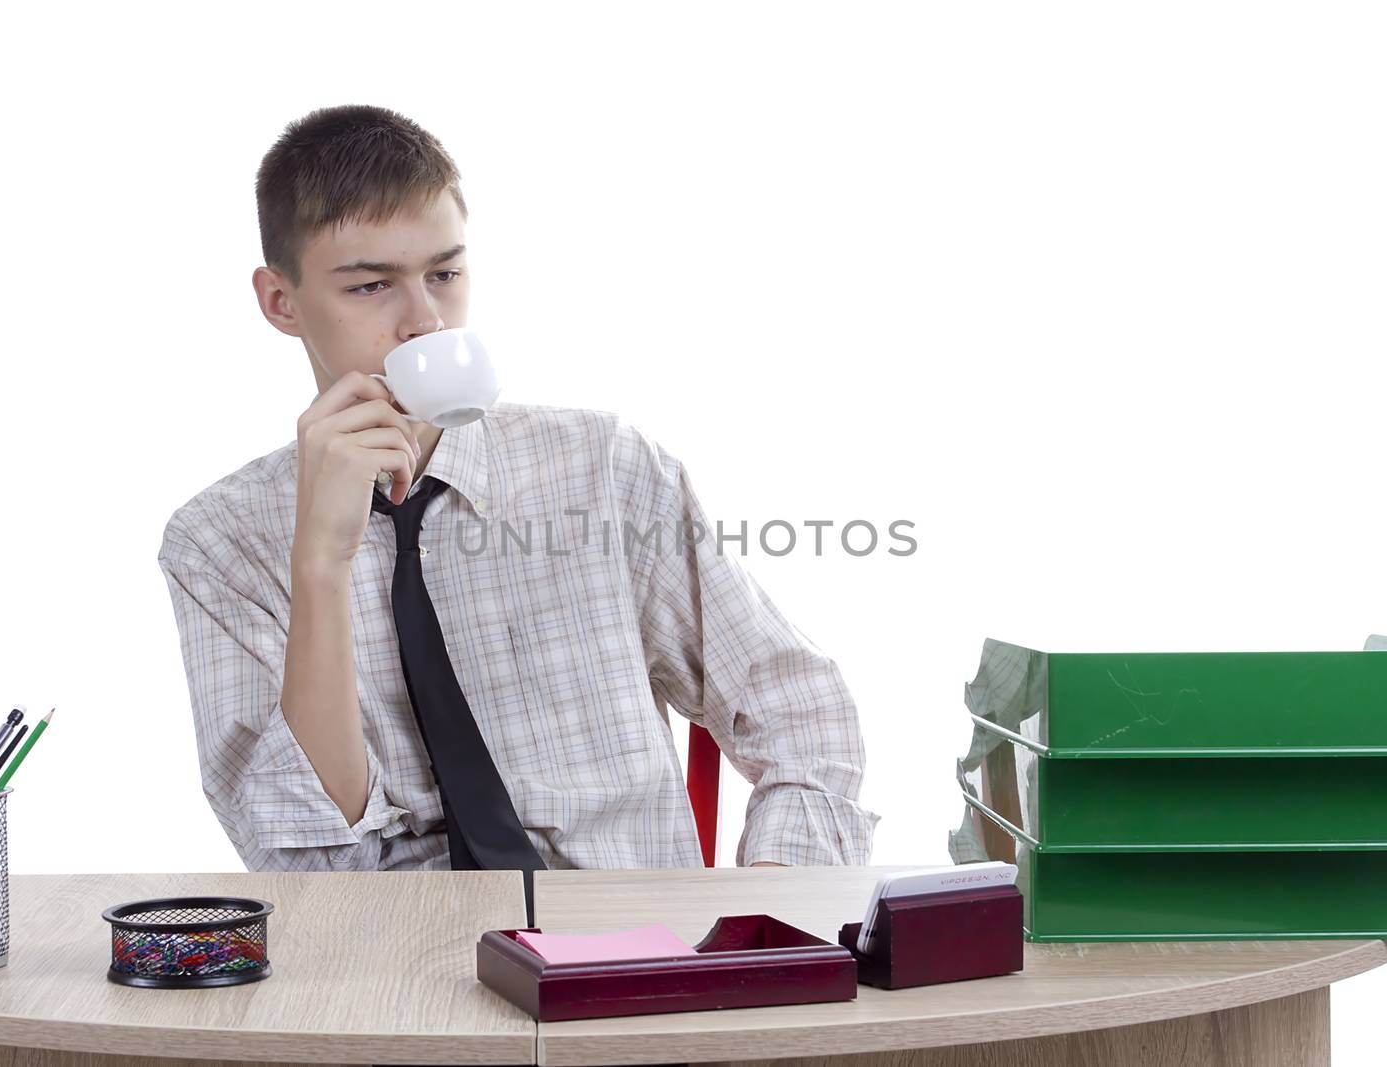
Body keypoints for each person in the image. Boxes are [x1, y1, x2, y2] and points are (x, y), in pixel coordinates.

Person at [157, 103, 879, 884]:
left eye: (445, 273)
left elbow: (803, 716)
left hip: (626, 946)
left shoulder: (605, 468)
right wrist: (321, 566)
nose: (426, 321)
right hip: (393, 970)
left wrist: (761, 914)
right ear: (281, 302)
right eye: (371, 286)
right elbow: (306, 861)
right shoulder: (218, 540)